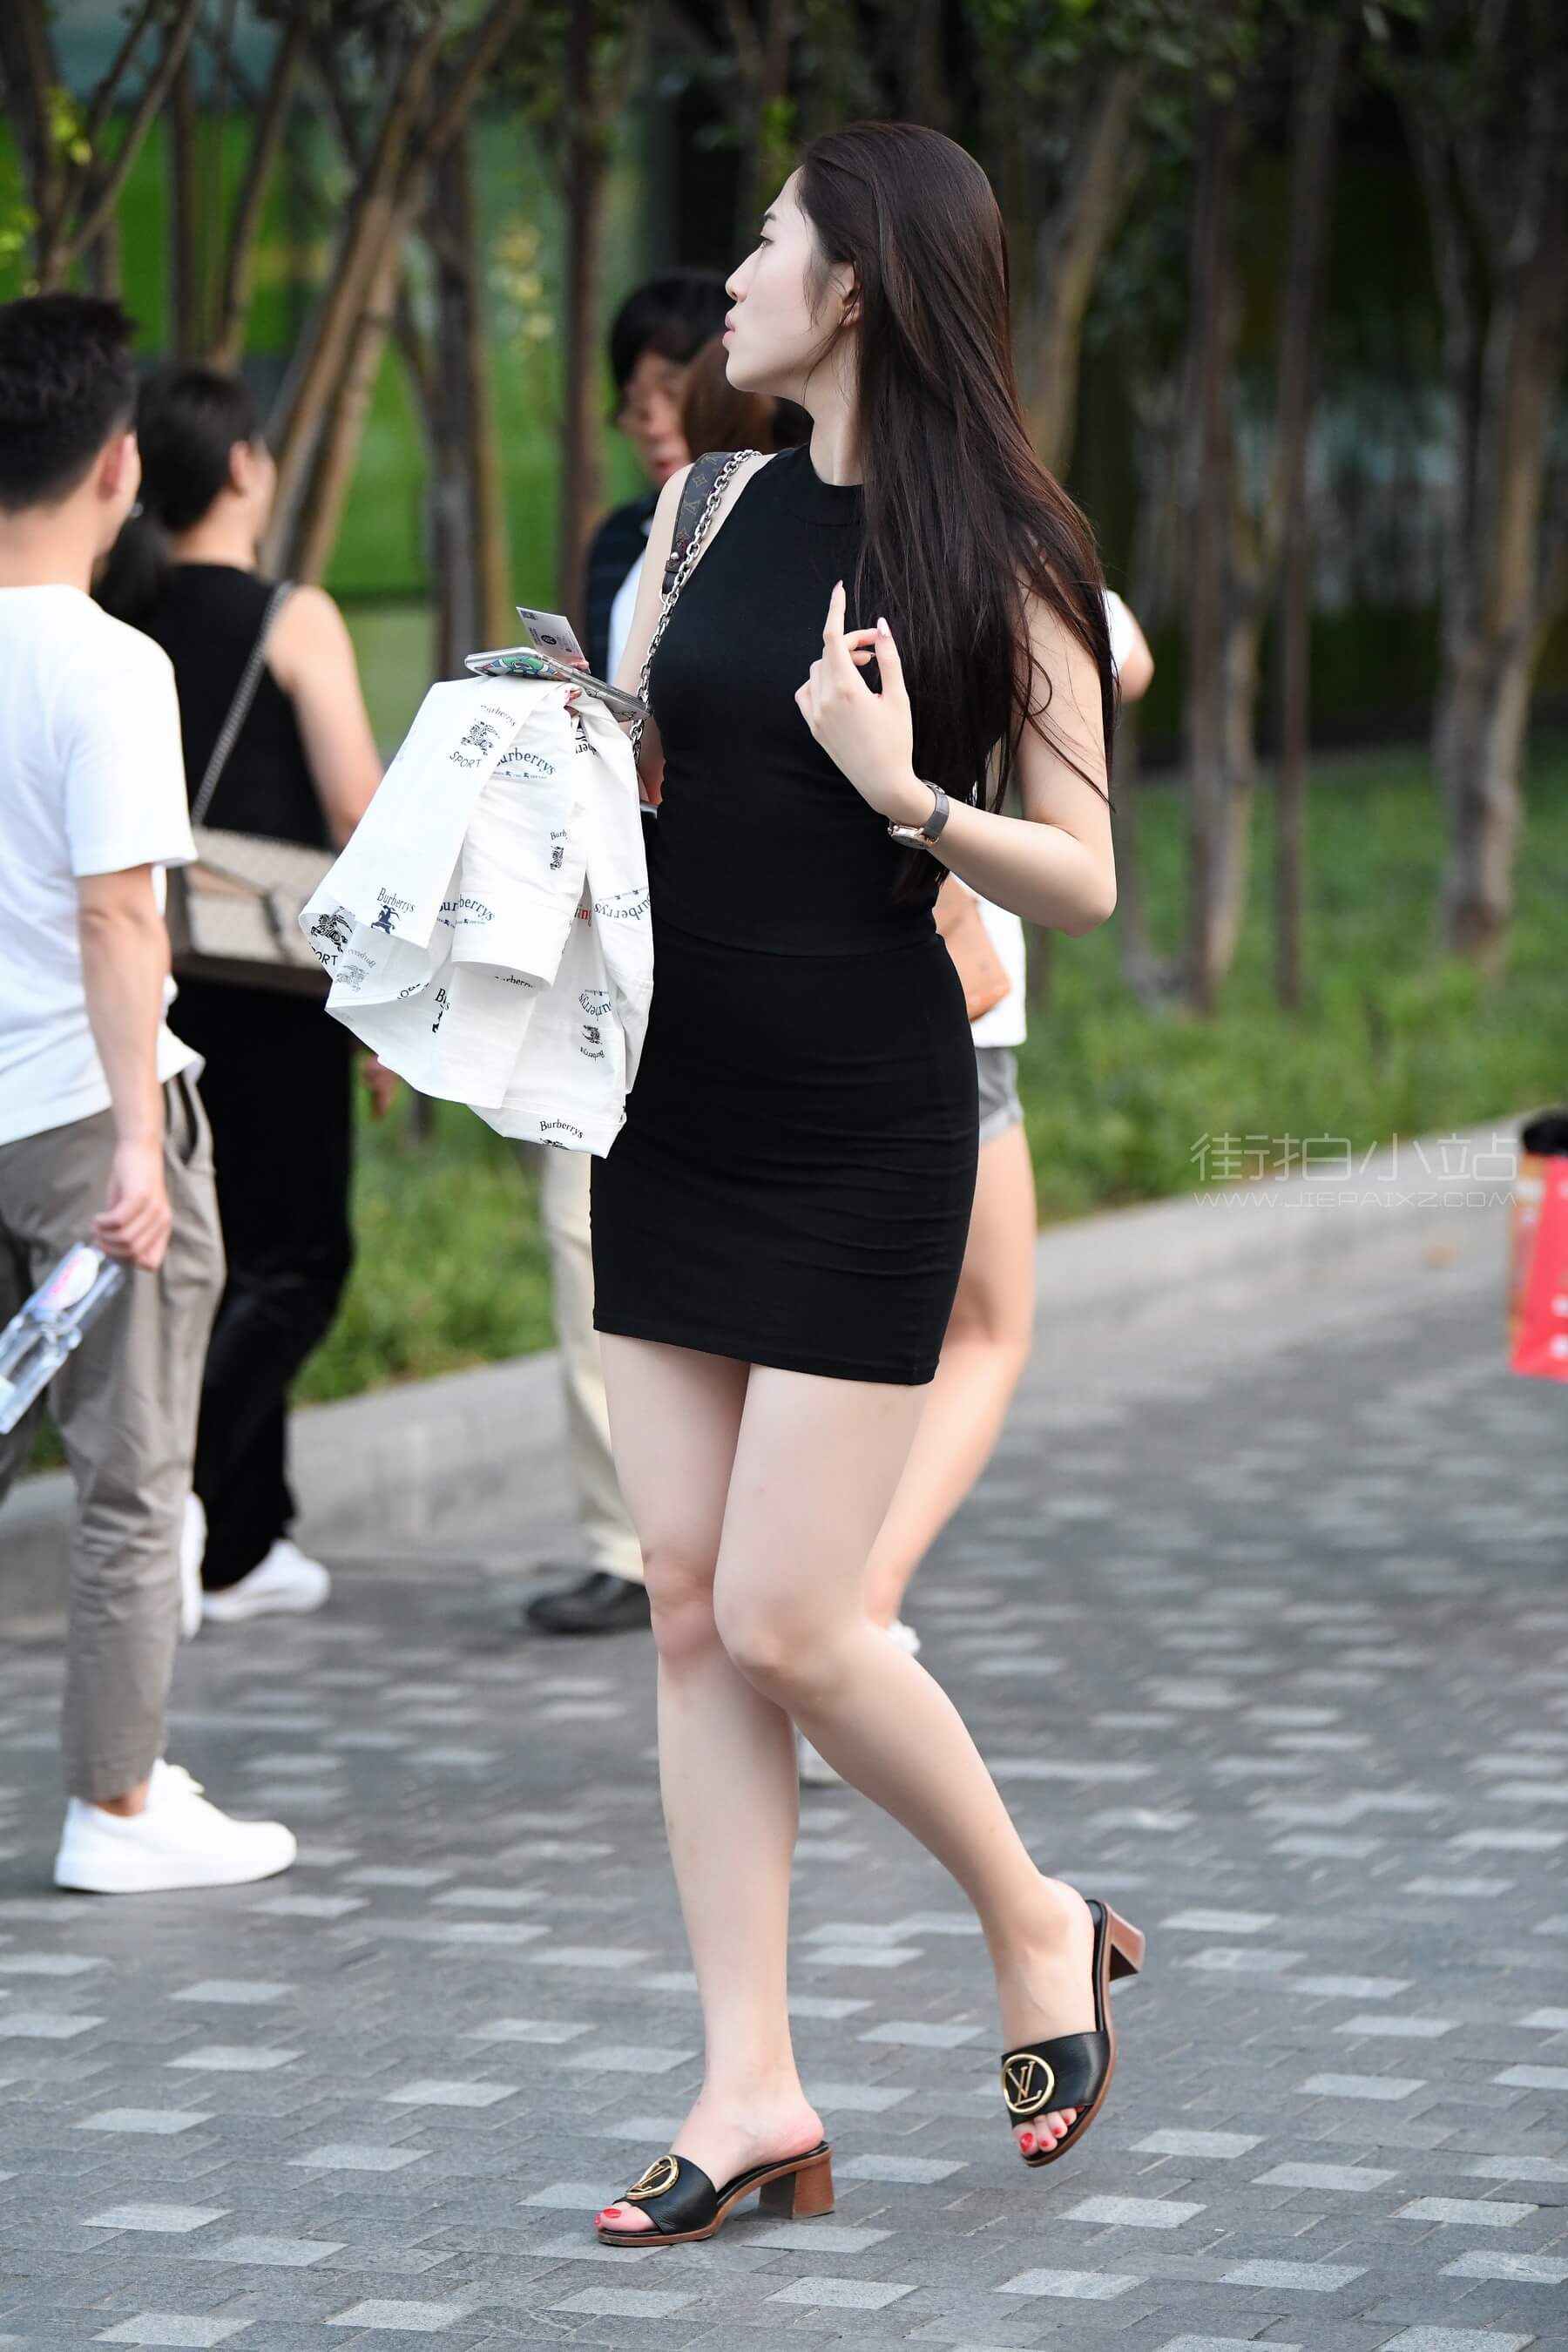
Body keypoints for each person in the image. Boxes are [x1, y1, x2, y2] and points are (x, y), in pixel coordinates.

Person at [585, 123, 1143, 2248]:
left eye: (766, 242)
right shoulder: (704, 506)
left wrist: (911, 798)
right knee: (687, 1601)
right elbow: (671, 768)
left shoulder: (1009, 550)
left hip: (860, 1123)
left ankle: (1034, 1916)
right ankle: (751, 2087)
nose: (728, 277)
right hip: (674, 1099)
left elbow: (1083, 874)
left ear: (854, 290)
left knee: (797, 1616)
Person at [0, 293, 295, 1893]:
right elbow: (123, 918)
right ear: (118, 465)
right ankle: (115, 1808)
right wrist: (137, 1139)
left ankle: (125, 1788)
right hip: (81, 1114)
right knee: (130, 1479)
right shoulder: (110, 667)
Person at [797, 587, 1155, 1785]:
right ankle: (852, 1620)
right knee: (985, 1328)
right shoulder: (988, 552)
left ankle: (805, 1621)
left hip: (744, 994)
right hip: (935, 988)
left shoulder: (684, 546)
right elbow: (1126, 659)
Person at [103, 365, 385, 1626]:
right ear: (241, 466)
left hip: (146, 967)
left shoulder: (117, 607)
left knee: (211, 1257)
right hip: (273, 973)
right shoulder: (292, 613)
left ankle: (244, 1541)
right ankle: (175, 1496)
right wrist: (390, 994)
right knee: (300, 1257)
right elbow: (358, 814)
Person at [524, 270, 733, 1639]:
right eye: (632, 394)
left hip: (740, 930)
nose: (647, 415)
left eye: (671, 386)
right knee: (576, 1224)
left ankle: (750, 1534)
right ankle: (630, 1539)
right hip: (609, 921)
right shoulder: (618, 542)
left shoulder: (786, 524)